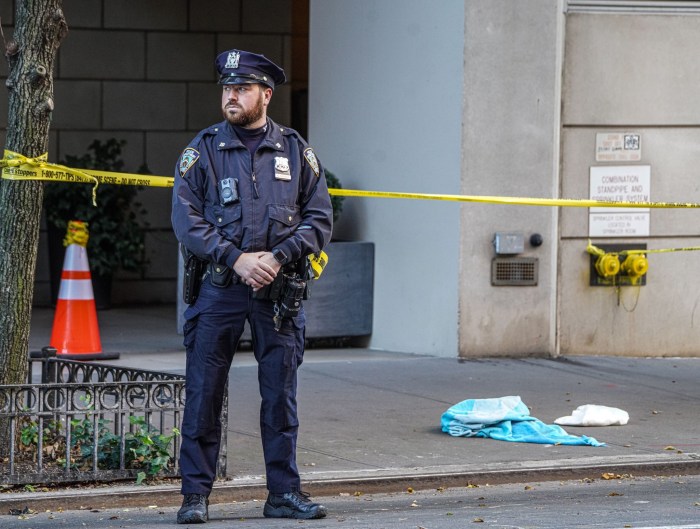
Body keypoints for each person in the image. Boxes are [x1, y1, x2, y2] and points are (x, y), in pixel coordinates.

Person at [171, 49, 333, 523]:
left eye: (241, 88)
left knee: (280, 395)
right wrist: (237, 258)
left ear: (265, 93)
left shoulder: (295, 150)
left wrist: (278, 258)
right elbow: (186, 220)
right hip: (219, 288)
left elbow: (320, 218)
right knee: (204, 391)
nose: (231, 96)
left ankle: (283, 494)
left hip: (277, 292)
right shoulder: (201, 150)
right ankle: (195, 496)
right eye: (227, 88)